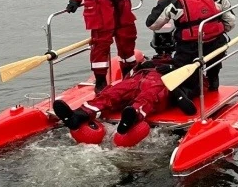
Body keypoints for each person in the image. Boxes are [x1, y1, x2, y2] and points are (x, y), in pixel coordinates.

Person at [52, 52, 197, 142]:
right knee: (113, 93)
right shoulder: (146, 64)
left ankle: (133, 116)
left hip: (160, 82)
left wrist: (175, 83)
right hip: (137, 79)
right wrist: (141, 67)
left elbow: (190, 106)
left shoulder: (186, 70)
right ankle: (79, 115)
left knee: (148, 97)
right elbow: (128, 76)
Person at [145, 0, 235, 96]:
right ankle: (213, 81)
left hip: (188, 50)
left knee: (187, 77)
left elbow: (152, 24)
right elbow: (231, 21)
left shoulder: (172, 0)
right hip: (216, 46)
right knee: (215, 58)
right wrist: (217, 31)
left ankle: (188, 91)